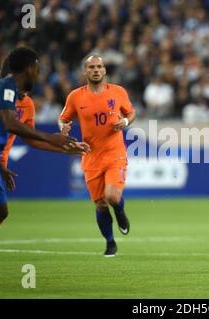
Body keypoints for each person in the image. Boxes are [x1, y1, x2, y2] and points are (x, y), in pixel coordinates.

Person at [0, 47, 83, 281]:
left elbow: (21, 135)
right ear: (29, 68)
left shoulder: (7, 92)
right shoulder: (5, 86)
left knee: (0, 212)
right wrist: (50, 137)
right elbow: (8, 122)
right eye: (36, 69)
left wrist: (63, 148)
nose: (37, 75)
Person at [59, 55, 136, 257]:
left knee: (112, 197)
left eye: (99, 66)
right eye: (92, 67)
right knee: (100, 203)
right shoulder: (75, 96)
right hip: (91, 156)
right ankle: (110, 243)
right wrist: (63, 127)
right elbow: (63, 118)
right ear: (85, 71)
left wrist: (125, 123)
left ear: (104, 70)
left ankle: (120, 212)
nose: (96, 70)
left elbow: (131, 112)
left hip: (115, 153)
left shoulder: (118, 92)